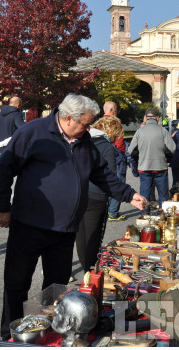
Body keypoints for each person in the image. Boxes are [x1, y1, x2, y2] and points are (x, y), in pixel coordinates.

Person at [0, 94, 147, 340]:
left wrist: (129, 195)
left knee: (56, 287)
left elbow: (103, 175)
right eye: (85, 123)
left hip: (64, 230)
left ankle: (49, 332)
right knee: (16, 284)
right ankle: (10, 337)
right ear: (69, 118)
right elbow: (3, 169)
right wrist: (1, 206)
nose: (89, 128)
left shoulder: (84, 140)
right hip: (29, 225)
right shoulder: (34, 132)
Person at [75, 116, 124, 271]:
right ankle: (90, 272)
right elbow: (110, 175)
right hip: (96, 197)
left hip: (79, 193)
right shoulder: (106, 147)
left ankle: (85, 270)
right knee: (93, 237)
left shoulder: (83, 142)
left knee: (81, 236)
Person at [128, 108, 176, 207]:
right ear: (157, 118)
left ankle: (145, 216)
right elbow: (172, 148)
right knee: (163, 196)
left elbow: (131, 151)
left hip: (144, 167)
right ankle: (164, 217)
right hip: (160, 167)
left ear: (145, 118)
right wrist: (165, 157)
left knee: (145, 195)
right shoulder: (163, 131)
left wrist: (140, 156)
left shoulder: (139, 131)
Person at [103, 101, 126, 220]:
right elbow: (120, 143)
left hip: (102, 158)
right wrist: (122, 154)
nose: (116, 112)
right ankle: (112, 212)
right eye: (116, 109)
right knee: (118, 183)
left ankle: (104, 210)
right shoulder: (116, 123)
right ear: (112, 110)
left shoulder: (98, 123)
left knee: (104, 183)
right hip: (115, 157)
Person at [0, 96, 24, 160]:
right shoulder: (16, 114)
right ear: (18, 105)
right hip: (11, 150)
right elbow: (23, 129)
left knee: (0, 169)